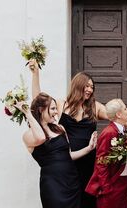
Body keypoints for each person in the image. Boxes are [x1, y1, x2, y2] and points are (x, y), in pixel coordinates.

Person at [29, 60, 108, 208]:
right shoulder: (61, 104)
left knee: (87, 202)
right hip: (67, 163)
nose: (90, 90)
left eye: (92, 87)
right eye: (87, 86)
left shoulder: (95, 107)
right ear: (78, 85)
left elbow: (111, 113)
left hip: (88, 164)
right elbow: (38, 102)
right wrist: (35, 74)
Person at [16, 92, 97, 208]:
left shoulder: (60, 128)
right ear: (41, 109)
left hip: (72, 181)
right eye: (53, 108)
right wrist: (28, 113)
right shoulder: (28, 136)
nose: (56, 112)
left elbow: (68, 156)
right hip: (53, 185)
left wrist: (88, 148)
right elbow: (41, 137)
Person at [86, 98, 127, 208]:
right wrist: (106, 187)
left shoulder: (122, 131)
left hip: (124, 182)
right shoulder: (109, 133)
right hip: (113, 183)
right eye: (125, 109)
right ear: (119, 114)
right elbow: (101, 162)